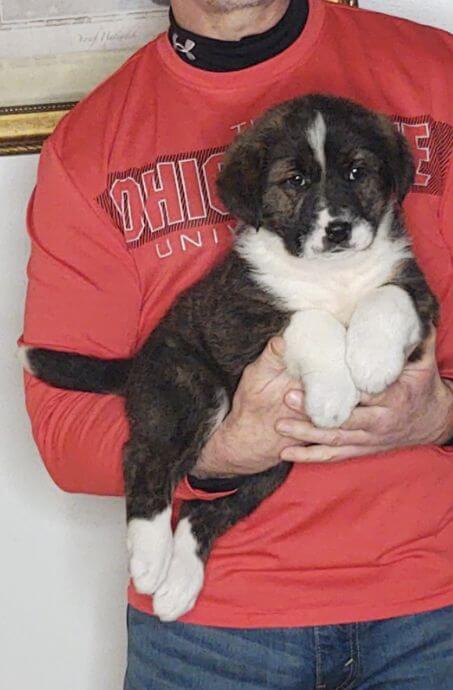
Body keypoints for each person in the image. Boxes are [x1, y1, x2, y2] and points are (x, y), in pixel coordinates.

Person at [20, 0, 453, 688]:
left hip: (434, 610)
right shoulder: (89, 146)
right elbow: (63, 424)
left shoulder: (436, 74)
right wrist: (221, 448)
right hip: (212, 634)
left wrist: (442, 415)